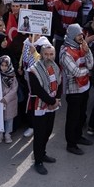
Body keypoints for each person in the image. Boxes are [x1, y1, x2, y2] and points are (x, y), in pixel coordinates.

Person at [25, 39, 62, 175]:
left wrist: (57, 99)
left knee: (48, 131)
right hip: (39, 106)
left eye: (51, 54)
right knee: (40, 134)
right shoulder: (33, 70)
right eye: (46, 54)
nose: (49, 57)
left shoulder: (55, 66)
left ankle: (43, 153)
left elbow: (60, 83)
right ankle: (38, 161)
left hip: (52, 105)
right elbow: (37, 90)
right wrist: (52, 101)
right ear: (41, 55)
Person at [58, 24, 93, 155]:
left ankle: (78, 137)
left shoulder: (81, 47)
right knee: (73, 118)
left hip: (85, 86)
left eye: (81, 34)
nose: (81, 36)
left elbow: (91, 63)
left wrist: (88, 51)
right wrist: (88, 71)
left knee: (81, 115)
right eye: (79, 35)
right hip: (74, 90)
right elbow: (76, 72)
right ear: (72, 35)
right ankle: (71, 144)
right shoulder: (65, 52)